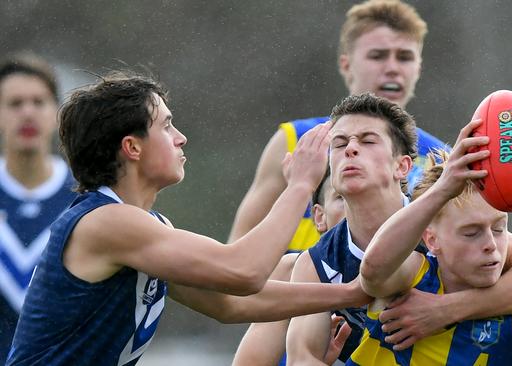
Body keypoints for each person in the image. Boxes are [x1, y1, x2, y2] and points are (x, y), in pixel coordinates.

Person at [6, 71, 372, 366]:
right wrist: (299, 186)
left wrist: (352, 292)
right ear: (132, 147)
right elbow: (244, 272)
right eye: (166, 126)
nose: (180, 138)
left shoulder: (145, 226)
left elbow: (231, 305)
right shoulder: (107, 223)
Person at [285, 93, 512, 364]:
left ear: (402, 166)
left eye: (368, 141)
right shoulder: (315, 263)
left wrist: (447, 310)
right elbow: (302, 358)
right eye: (340, 143)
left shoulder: (438, 218)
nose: (350, 149)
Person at [351, 120, 512, 364]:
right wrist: (443, 189)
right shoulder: (412, 279)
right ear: (432, 240)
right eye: (471, 233)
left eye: (499, 228)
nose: (490, 244)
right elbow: (373, 271)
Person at [228, 0, 446, 250]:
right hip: (301, 284)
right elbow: (240, 247)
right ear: (346, 65)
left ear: (419, 68)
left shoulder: (439, 160)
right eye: (377, 56)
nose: (392, 68)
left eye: (405, 57)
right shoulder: (296, 140)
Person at [0, 52, 77, 363]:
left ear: (57, 112)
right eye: (15, 103)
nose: (28, 113)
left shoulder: (87, 198)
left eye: (39, 102)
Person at [233, 168, 349, 365]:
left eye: (367, 195)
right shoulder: (291, 269)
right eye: (341, 197)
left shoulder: (417, 265)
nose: (355, 206)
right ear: (319, 217)